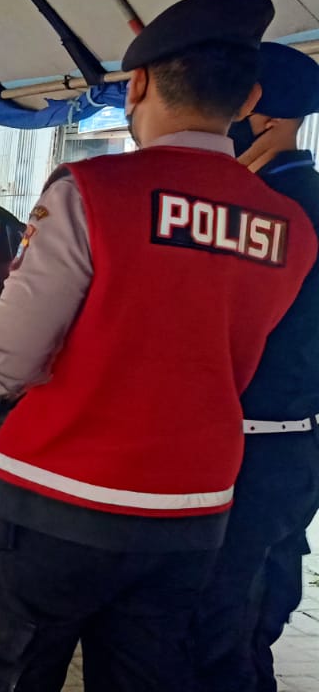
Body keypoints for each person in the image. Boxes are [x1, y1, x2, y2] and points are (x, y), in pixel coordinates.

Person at [0, 0, 316, 690]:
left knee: (11, 671)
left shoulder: (92, 190)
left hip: (59, 501)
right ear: (249, 97)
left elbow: (2, 366)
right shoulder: (289, 227)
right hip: (191, 511)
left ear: (138, 83)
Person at [191, 41, 319, 691]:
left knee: (225, 629)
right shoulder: (280, 195)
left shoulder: (273, 209)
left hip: (259, 448)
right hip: (282, 451)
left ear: (260, 113)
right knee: (241, 616)